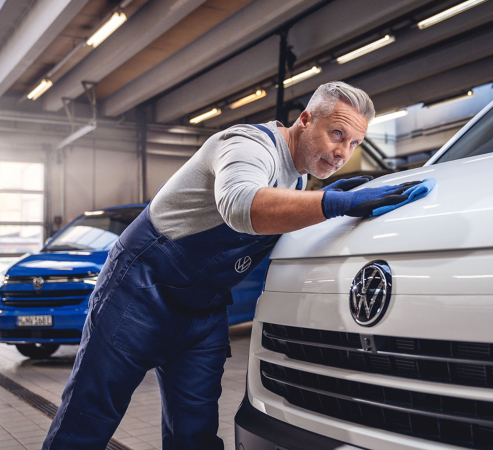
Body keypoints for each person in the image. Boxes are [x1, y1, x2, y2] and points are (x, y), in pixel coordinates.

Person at [42, 81, 428, 450]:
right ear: (306, 120)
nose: (344, 152)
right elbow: (240, 205)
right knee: (86, 422)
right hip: (140, 293)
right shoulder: (247, 144)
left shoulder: (297, 182)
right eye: (337, 134)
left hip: (202, 311)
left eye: (356, 143)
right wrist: (333, 205)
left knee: (195, 436)